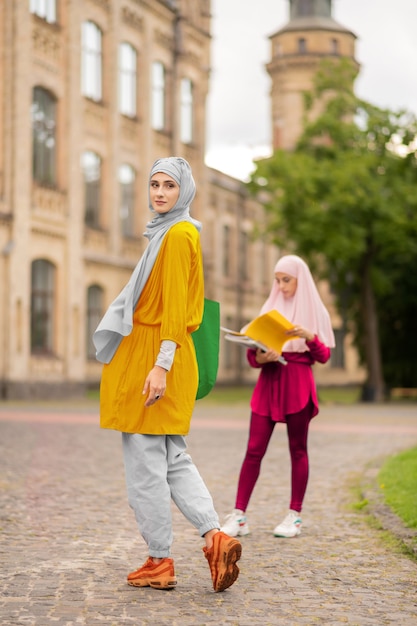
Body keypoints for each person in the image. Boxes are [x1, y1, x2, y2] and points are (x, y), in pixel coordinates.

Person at [93, 157, 241, 591]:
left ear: (185, 191)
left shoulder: (177, 235)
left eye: (170, 186)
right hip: (160, 355)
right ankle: (215, 538)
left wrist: (160, 365)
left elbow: (175, 306)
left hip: (157, 358)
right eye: (154, 184)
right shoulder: (171, 232)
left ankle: (159, 560)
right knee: (173, 458)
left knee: (144, 465)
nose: (159, 193)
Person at [221, 254, 335, 539]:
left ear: (300, 280)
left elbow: (323, 357)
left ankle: (294, 516)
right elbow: (252, 357)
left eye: (286, 280)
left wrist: (309, 336)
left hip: (298, 383)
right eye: (277, 280)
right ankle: (239, 515)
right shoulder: (269, 308)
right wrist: (262, 355)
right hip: (269, 383)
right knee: (254, 449)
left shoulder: (315, 312)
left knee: (298, 449)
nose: (281, 286)